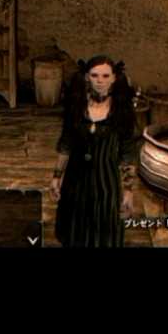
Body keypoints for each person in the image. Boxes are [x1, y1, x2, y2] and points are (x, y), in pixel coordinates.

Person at [50, 55, 137, 247]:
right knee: (74, 230)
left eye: (105, 76)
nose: (100, 81)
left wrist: (128, 190)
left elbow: (127, 153)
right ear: (86, 77)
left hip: (106, 181)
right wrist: (56, 177)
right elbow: (66, 144)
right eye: (95, 75)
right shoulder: (76, 106)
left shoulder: (122, 111)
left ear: (114, 78)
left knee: (103, 233)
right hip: (76, 180)